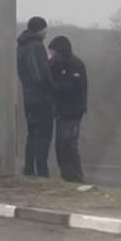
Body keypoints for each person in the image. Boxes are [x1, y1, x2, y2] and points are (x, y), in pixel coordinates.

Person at [16, 16, 53, 177]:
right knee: (43, 134)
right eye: (45, 29)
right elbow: (40, 74)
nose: (46, 32)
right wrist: (50, 85)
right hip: (41, 97)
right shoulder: (36, 47)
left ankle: (29, 169)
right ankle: (42, 170)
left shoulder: (22, 46)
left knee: (32, 134)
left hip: (28, 95)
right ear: (40, 30)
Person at [48, 35, 88, 183]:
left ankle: (76, 177)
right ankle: (66, 176)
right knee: (60, 146)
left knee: (69, 144)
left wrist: (54, 86)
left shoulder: (76, 65)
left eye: (54, 52)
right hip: (60, 111)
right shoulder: (57, 65)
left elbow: (72, 87)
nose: (52, 55)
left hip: (72, 112)